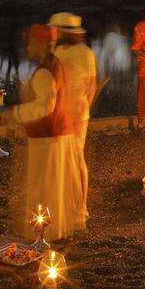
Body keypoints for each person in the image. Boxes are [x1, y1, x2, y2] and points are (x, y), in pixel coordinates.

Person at [6, 24, 87, 239]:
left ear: (40, 44)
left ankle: (43, 235)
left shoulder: (44, 71)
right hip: (59, 134)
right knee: (54, 188)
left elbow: (44, 106)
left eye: (31, 42)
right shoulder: (55, 64)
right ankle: (54, 231)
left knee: (43, 187)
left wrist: (15, 114)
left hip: (48, 138)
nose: (27, 47)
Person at [49, 12, 96, 201]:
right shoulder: (84, 52)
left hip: (68, 112)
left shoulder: (60, 53)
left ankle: (77, 203)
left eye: (56, 30)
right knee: (75, 156)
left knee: (71, 156)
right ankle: (78, 203)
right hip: (76, 111)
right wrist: (85, 107)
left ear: (63, 32)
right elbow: (91, 87)